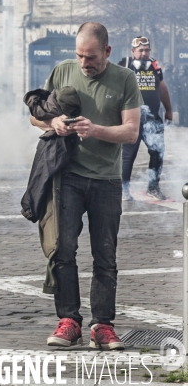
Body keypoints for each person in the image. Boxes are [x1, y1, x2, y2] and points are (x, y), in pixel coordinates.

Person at [30, 22, 141, 350]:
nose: (83, 63)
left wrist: (95, 130)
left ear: (106, 52)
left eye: (90, 57)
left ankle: (102, 325)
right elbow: (35, 115)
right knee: (63, 251)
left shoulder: (125, 79)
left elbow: (131, 131)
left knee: (105, 255)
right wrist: (53, 122)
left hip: (106, 180)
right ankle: (69, 321)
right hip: (68, 178)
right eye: (79, 55)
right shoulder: (63, 72)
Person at [118, 36, 173, 200]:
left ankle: (153, 187)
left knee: (157, 153)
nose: (144, 53)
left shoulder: (155, 65)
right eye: (140, 50)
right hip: (132, 120)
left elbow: (162, 87)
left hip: (153, 120)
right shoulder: (125, 64)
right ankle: (124, 190)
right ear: (133, 51)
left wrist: (168, 109)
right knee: (128, 155)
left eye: (147, 50)